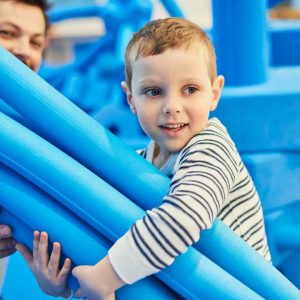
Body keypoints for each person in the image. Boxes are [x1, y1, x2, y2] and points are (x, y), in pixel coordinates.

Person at [18, 17, 271, 299]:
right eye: (153, 92)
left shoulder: (211, 148)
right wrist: (60, 283)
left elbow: (183, 218)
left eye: (190, 90)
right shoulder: (141, 164)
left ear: (214, 93)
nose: (172, 107)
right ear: (130, 99)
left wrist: (104, 277)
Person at [0, 0, 73, 298]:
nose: (24, 51)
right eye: (6, 33)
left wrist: (55, 283)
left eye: (36, 42)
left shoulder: (27, 136)